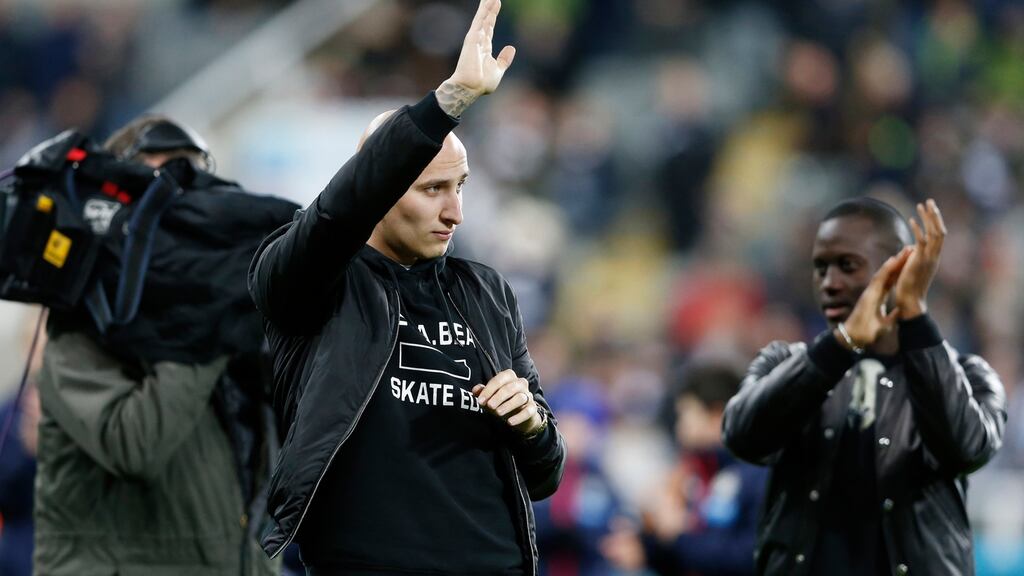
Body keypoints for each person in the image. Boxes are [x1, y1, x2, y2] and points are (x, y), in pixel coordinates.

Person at [248, 1, 566, 573]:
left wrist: (532, 424)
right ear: (379, 183)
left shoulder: (486, 292)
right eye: (432, 189)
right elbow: (340, 211)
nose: (455, 212)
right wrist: (450, 101)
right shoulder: (314, 281)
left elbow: (545, 474)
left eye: (460, 186)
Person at [32, 115, 298, 575]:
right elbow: (134, 446)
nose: (183, 208)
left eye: (195, 187)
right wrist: (211, 318)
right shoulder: (78, 333)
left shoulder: (235, 303)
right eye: (163, 190)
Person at [722, 197, 1007, 575]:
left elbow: (965, 450)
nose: (829, 283)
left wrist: (915, 317)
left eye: (848, 266)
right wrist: (840, 347)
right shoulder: (781, 362)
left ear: (899, 268)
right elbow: (743, 435)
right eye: (820, 268)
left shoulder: (969, 375)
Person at [602, 360, 766, 576]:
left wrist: (678, 536)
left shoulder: (757, 474)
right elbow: (686, 553)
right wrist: (646, 547)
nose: (680, 427)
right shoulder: (695, 471)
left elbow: (749, 556)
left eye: (686, 414)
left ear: (716, 414)